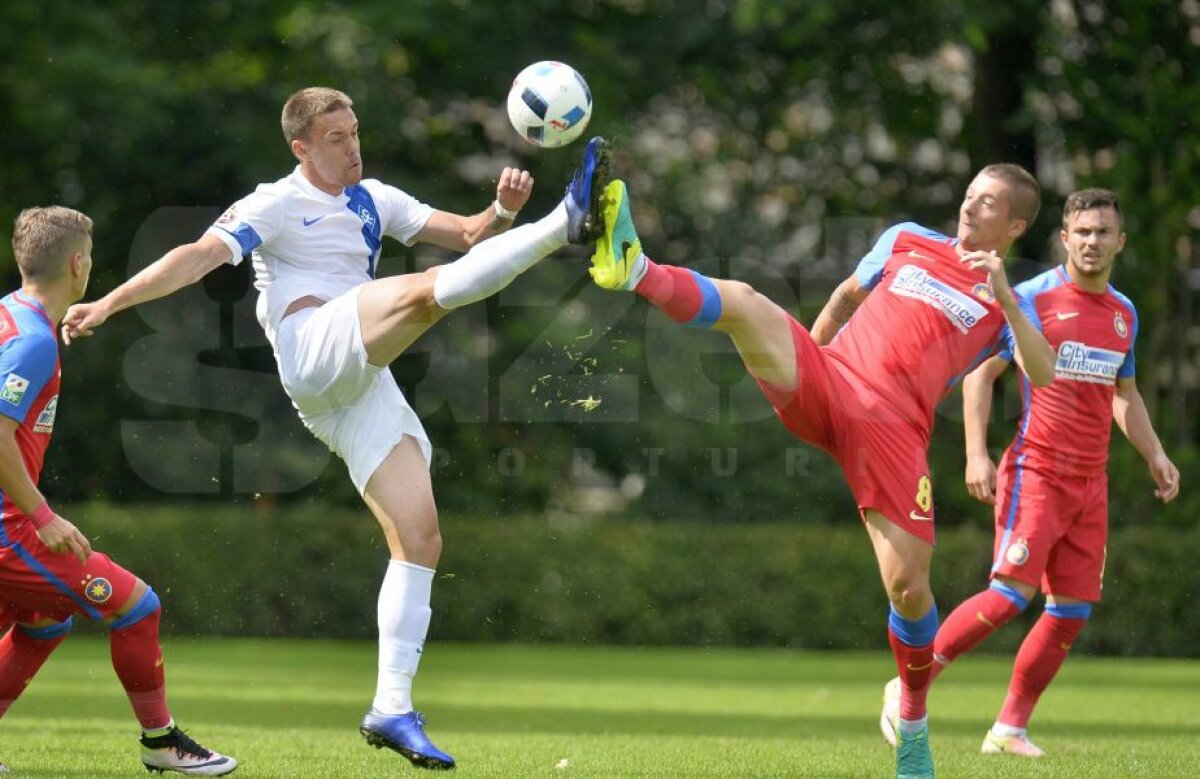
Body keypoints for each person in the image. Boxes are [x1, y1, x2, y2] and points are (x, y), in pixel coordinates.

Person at [60, 87, 610, 771]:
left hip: (351, 388)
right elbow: (197, 256)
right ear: (301, 148)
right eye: (336, 138)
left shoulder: (374, 198)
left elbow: (469, 236)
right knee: (423, 293)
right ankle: (566, 223)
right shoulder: (274, 203)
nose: (353, 147)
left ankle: (391, 707)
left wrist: (500, 210)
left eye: (354, 133)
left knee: (420, 538)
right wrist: (108, 304)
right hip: (311, 349)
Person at [587, 168, 1056, 779]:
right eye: (969, 194)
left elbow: (1042, 372)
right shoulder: (908, 238)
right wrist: (808, 360)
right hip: (831, 378)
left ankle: (912, 722)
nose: (969, 206)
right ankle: (637, 269)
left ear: (1015, 225)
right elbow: (844, 297)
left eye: (987, 202)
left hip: (893, 432)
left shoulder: (1012, 301)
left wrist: (1004, 295)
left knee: (909, 589)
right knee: (747, 303)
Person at [879, 188, 1180, 757]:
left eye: (1103, 233)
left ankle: (1009, 730)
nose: (1092, 242)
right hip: (1037, 470)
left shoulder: (1124, 313)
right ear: (1064, 238)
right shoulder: (1030, 298)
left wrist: (1155, 453)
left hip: (1091, 483)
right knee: (1009, 596)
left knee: (1071, 611)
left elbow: (1124, 393)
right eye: (1082, 232)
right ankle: (910, 682)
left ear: (1121, 241)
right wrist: (976, 453)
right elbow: (980, 374)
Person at [0, 207, 237, 776]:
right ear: (78, 263)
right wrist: (42, 515)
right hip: (10, 528)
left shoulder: (10, 316)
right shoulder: (32, 342)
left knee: (44, 621)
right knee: (137, 607)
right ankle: (160, 741)